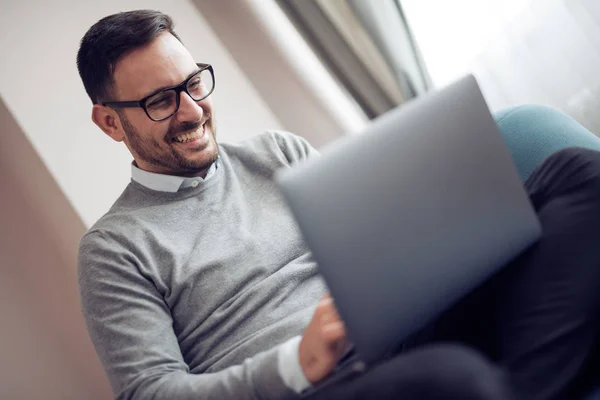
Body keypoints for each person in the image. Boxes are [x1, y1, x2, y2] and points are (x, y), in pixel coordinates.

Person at [76, 10, 600, 400]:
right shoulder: (113, 249)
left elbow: (367, 247)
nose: (192, 111)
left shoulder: (274, 152)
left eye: (192, 84)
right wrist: (295, 363)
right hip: (317, 387)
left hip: (401, 331)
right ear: (110, 122)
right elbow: (150, 392)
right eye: (160, 101)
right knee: (450, 376)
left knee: (578, 173)